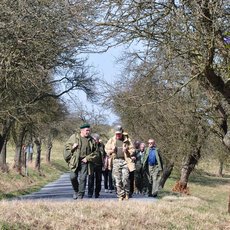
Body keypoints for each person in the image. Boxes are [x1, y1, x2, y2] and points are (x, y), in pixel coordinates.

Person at [64, 123, 97, 199]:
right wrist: (73, 147)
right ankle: (76, 190)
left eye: (89, 130)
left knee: (83, 178)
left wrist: (88, 158)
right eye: (86, 130)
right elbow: (67, 147)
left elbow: (96, 152)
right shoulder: (74, 137)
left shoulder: (91, 140)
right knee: (73, 177)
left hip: (84, 162)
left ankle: (80, 196)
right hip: (75, 160)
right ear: (81, 130)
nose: (88, 132)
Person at [105, 125, 135, 201]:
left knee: (125, 179)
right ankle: (120, 195)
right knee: (117, 180)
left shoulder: (127, 140)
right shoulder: (112, 140)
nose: (118, 135)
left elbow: (133, 150)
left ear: (122, 133)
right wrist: (112, 150)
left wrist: (127, 151)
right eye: (116, 134)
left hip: (125, 161)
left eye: (119, 134)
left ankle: (127, 193)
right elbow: (106, 149)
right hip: (116, 161)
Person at [87, 133, 104, 198]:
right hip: (91, 163)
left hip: (99, 164)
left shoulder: (101, 145)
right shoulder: (90, 144)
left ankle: (97, 193)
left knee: (99, 179)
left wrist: (105, 163)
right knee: (90, 179)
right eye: (94, 139)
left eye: (97, 139)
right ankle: (90, 193)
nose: (96, 140)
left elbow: (104, 154)